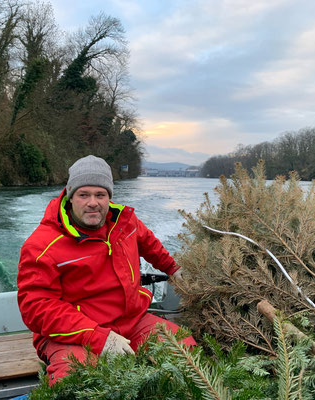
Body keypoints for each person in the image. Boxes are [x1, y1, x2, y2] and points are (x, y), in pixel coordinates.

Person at [17, 155, 196, 385]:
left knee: (184, 351)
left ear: (109, 197)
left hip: (130, 322)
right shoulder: (41, 246)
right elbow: (36, 308)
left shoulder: (125, 223)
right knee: (78, 382)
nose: (93, 202)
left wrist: (172, 268)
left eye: (100, 195)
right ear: (70, 197)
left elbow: (148, 243)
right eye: (84, 195)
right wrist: (98, 337)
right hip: (73, 335)